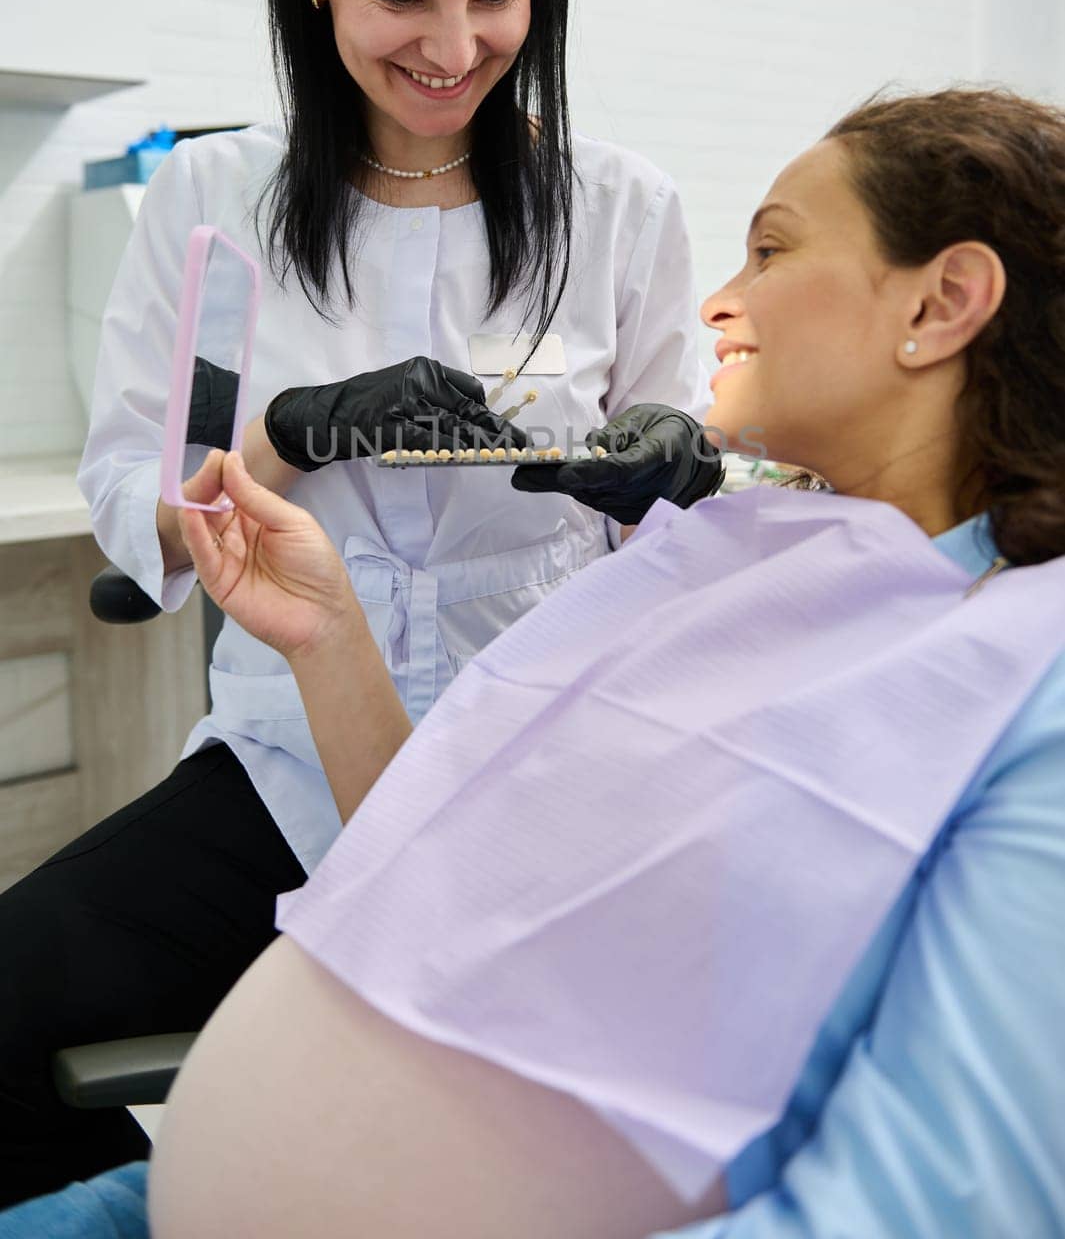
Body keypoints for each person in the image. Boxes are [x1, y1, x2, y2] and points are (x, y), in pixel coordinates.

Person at [4, 85, 1060, 1239]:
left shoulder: (1018, 671)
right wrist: (325, 620)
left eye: (768, 251)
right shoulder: (728, 560)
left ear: (946, 299)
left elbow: (933, 1199)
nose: (718, 300)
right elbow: (446, 864)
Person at [0, 0, 722, 1209]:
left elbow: (700, 506)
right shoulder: (211, 199)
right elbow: (141, 491)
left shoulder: (624, 211)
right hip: (283, 769)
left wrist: (674, 480)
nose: (453, 45)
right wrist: (291, 433)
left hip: (536, 781)